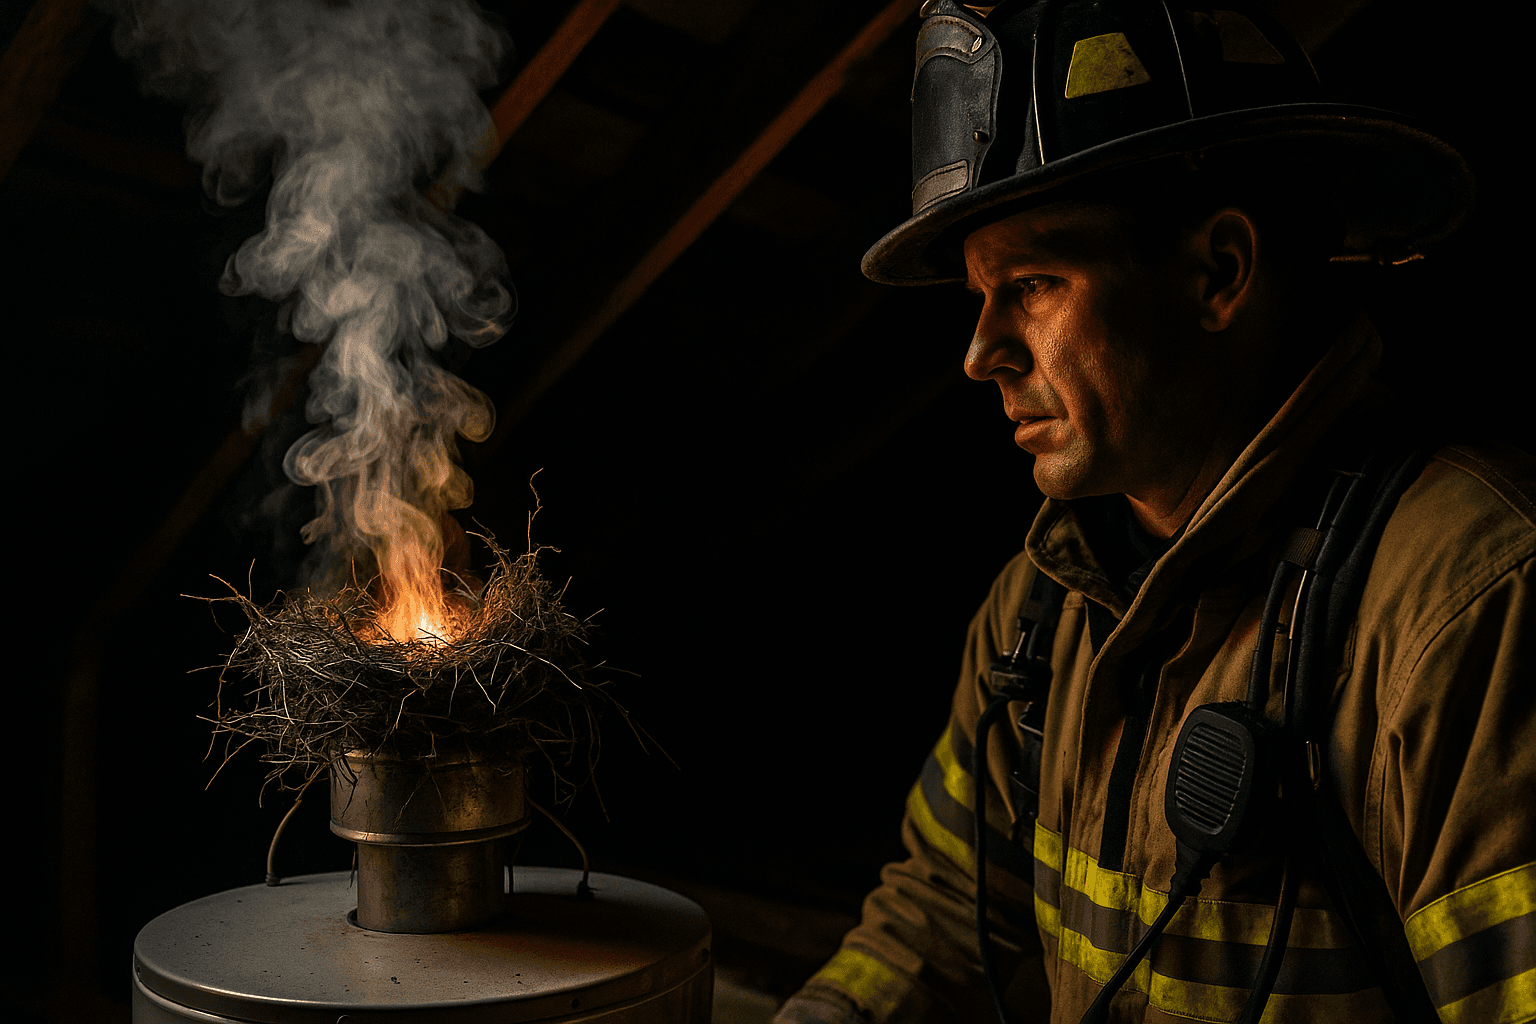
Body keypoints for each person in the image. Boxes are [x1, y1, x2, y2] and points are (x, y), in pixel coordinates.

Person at [772, 2, 1533, 1022]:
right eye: (980, 295)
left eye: (1034, 283)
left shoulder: (1468, 609)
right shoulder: (1039, 611)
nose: (980, 352)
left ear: (1218, 270)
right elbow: (948, 917)